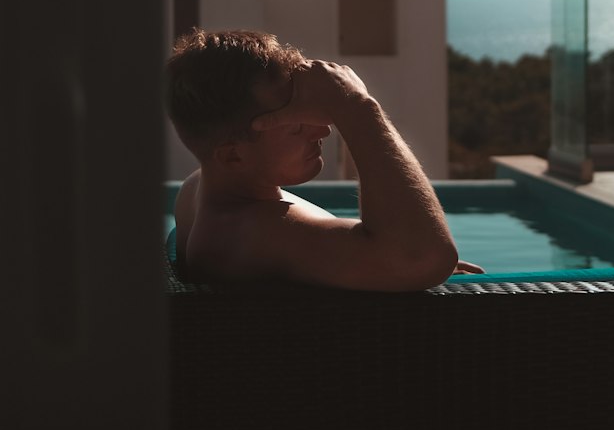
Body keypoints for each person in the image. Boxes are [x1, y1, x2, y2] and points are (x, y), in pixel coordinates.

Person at [165, 27, 483, 289]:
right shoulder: (251, 231)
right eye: (296, 123)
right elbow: (424, 257)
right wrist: (357, 107)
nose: (323, 131)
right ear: (234, 154)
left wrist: (373, 262)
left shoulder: (198, 190)